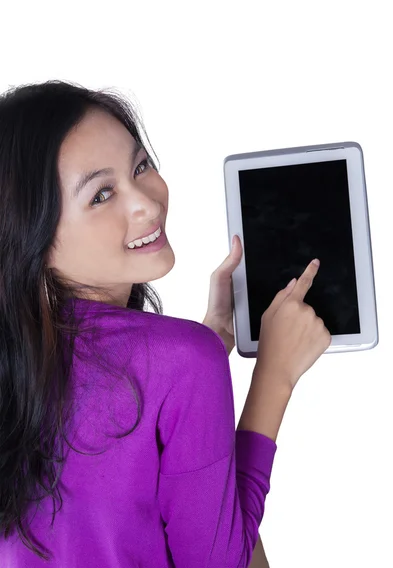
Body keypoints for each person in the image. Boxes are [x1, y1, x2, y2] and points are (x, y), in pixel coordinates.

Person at [0, 80, 331, 567]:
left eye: (140, 166)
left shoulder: (18, 362)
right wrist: (274, 375)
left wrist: (210, 342)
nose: (147, 204)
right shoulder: (181, 362)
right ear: (35, 236)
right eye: (102, 194)